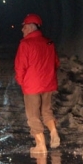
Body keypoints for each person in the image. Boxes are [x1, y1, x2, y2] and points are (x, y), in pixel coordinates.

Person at [14, 13, 60, 154]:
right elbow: (56, 63)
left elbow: (20, 66)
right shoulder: (49, 43)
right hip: (48, 83)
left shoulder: (25, 44)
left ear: (30, 27)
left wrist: (21, 81)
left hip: (32, 86)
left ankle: (41, 145)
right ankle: (53, 132)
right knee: (46, 111)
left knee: (33, 115)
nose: (22, 30)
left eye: (24, 27)